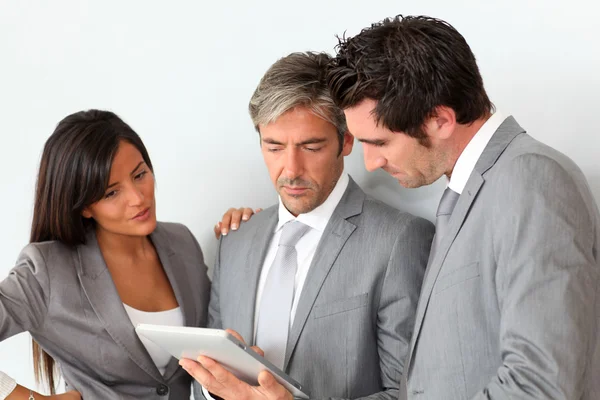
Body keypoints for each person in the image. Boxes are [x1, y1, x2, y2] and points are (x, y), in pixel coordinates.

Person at [325, 15, 600, 399]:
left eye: (380, 143)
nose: (370, 162)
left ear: (441, 120)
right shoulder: (469, 192)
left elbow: (540, 386)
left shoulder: (532, 179)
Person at [182, 51, 434, 400]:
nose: (291, 169)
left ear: (345, 141)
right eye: (273, 147)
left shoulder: (400, 240)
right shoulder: (235, 240)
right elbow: (205, 373)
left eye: (311, 146)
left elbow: (411, 392)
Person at [0, 110, 210, 399]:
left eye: (140, 175)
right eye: (111, 193)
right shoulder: (46, 271)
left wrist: (246, 234)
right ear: (84, 206)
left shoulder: (182, 242)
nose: (138, 198)